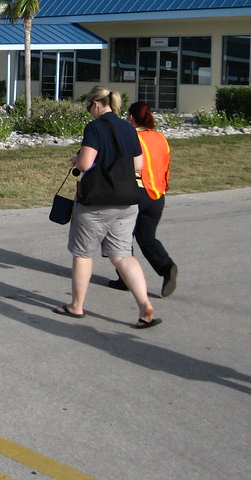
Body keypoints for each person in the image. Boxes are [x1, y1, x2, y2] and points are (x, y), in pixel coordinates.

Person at [54, 87, 161, 329]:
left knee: (83, 254)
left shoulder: (95, 128)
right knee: (122, 255)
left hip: (96, 203)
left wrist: (78, 159)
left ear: (95, 104)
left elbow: (85, 163)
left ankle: (76, 306)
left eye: (88, 106)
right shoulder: (128, 127)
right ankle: (144, 305)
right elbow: (139, 165)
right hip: (127, 202)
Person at [106, 101, 179, 297]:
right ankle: (167, 267)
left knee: (121, 236)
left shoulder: (130, 138)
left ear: (131, 117)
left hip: (136, 193)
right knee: (147, 237)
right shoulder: (160, 138)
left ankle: (125, 278)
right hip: (157, 194)